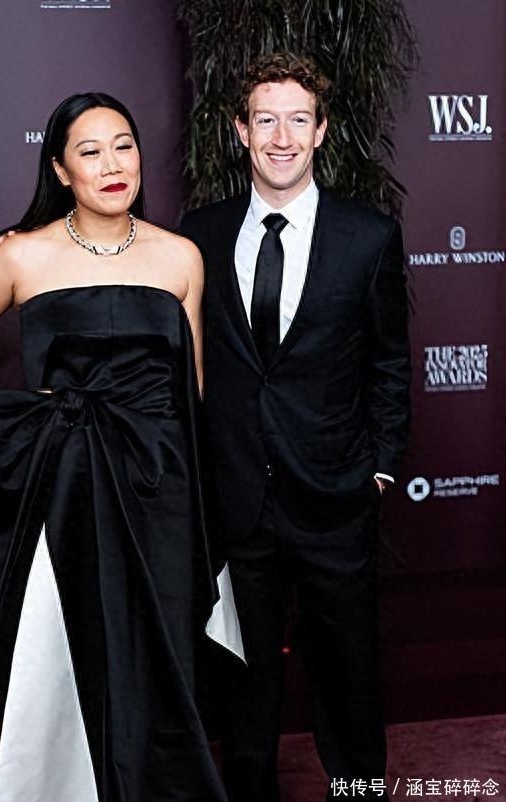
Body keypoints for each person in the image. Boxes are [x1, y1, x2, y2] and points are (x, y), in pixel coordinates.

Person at [0, 92, 243, 802]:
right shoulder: (23, 255)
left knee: (163, 646)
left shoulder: (180, 257)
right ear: (61, 170)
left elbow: (191, 389)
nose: (112, 164)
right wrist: (4, 418)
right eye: (90, 151)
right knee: (78, 644)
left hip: (162, 482)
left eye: (124, 145)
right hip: (69, 478)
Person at [181, 53, 411, 802]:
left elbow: (389, 362)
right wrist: (21, 245)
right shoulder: (200, 235)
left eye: (298, 120)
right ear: (240, 130)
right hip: (237, 502)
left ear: (321, 131)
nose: (282, 137)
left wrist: (379, 469)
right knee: (244, 689)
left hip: (335, 499)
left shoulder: (368, 236)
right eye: (266, 120)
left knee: (348, 680)